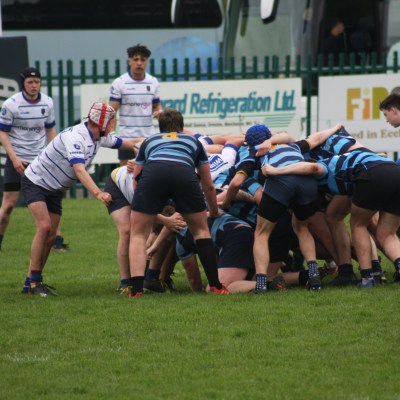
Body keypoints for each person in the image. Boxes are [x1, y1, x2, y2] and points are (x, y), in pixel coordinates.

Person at [20, 102, 141, 296]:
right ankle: (34, 283)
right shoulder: (76, 137)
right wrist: (98, 193)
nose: (114, 124)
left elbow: (128, 142)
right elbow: (79, 169)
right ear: (101, 122)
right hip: (36, 182)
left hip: (55, 189)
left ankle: (32, 281)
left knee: (51, 236)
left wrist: (154, 141)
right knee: (44, 227)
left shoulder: (98, 136)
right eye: (111, 121)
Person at [129, 108, 228, 298]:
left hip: (153, 175)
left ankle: (136, 291)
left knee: (138, 235)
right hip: (184, 175)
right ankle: (216, 286)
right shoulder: (193, 141)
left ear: (160, 128)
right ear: (182, 127)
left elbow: (136, 178)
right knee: (201, 231)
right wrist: (214, 211)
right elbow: (208, 184)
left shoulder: (149, 141)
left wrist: (143, 204)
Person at [0, 67, 68, 252]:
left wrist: (54, 154)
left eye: (37, 82)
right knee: (8, 206)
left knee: (51, 200)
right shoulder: (11, 104)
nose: (34, 85)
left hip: (40, 162)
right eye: (30, 82)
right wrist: (14, 158)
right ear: (23, 84)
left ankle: (56, 240)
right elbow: (3, 133)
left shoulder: (47, 102)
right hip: (17, 160)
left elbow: (50, 129)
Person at [109, 44, 162, 166]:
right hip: (127, 138)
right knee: (125, 172)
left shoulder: (153, 82)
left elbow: (156, 106)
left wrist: (159, 112)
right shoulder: (119, 82)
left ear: (147, 62)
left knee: (149, 172)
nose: (139, 63)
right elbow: (112, 111)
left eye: (143, 60)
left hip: (148, 137)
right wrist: (112, 135)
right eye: (136, 59)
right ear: (129, 61)